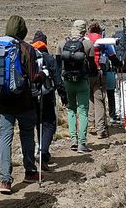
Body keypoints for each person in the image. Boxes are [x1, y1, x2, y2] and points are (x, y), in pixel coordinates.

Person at [0, 15, 44, 193]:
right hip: (24, 101)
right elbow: (33, 76)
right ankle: (30, 171)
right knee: (27, 135)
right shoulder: (27, 49)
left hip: (3, 103)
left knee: (5, 139)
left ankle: (5, 180)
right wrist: (43, 76)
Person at [57, 20, 95, 153]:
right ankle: (82, 143)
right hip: (82, 82)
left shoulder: (62, 43)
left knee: (71, 110)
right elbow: (92, 66)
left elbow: (58, 65)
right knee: (83, 112)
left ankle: (73, 139)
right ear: (84, 30)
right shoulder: (88, 44)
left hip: (67, 82)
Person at [31, 31, 64, 167]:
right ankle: (43, 152)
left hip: (32, 96)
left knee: (39, 123)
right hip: (47, 95)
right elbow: (58, 80)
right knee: (49, 124)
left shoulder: (29, 56)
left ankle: (41, 152)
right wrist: (64, 97)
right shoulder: (49, 59)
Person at [84, 21, 117, 139]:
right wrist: (119, 64)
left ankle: (91, 124)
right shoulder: (103, 41)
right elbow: (112, 56)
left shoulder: (85, 40)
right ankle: (101, 129)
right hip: (100, 73)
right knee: (100, 100)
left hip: (87, 74)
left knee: (90, 99)